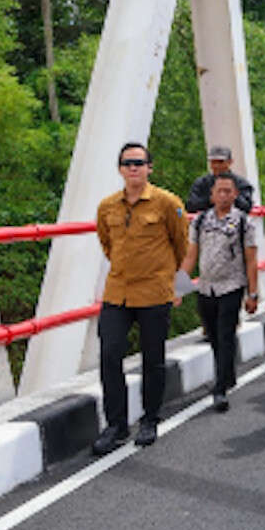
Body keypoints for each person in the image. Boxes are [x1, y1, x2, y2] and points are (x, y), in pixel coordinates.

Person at [91, 143, 188, 454]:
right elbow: (107, 245)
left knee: (152, 358)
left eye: (139, 162)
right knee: (109, 356)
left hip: (154, 293)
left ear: (149, 167)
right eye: (127, 163)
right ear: (120, 169)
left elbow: (181, 245)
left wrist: (171, 284)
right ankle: (116, 425)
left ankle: (150, 419)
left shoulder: (167, 203)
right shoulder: (107, 206)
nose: (133, 168)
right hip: (117, 292)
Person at [175, 172, 259, 412]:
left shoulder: (244, 222)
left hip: (232, 285)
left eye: (228, 191)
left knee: (225, 335)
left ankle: (220, 388)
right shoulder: (200, 221)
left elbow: (252, 260)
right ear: (211, 195)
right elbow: (191, 255)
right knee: (213, 336)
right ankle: (228, 374)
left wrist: (253, 294)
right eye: (219, 191)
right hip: (206, 287)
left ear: (235, 194)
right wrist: (179, 288)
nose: (223, 195)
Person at [184, 145, 255, 214]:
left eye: (220, 162)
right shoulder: (201, 183)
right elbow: (190, 206)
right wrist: (210, 200)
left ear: (230, 162)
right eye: (213, 162)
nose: (216, 165)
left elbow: (247, 207)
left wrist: (232, 199)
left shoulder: (241, 183)